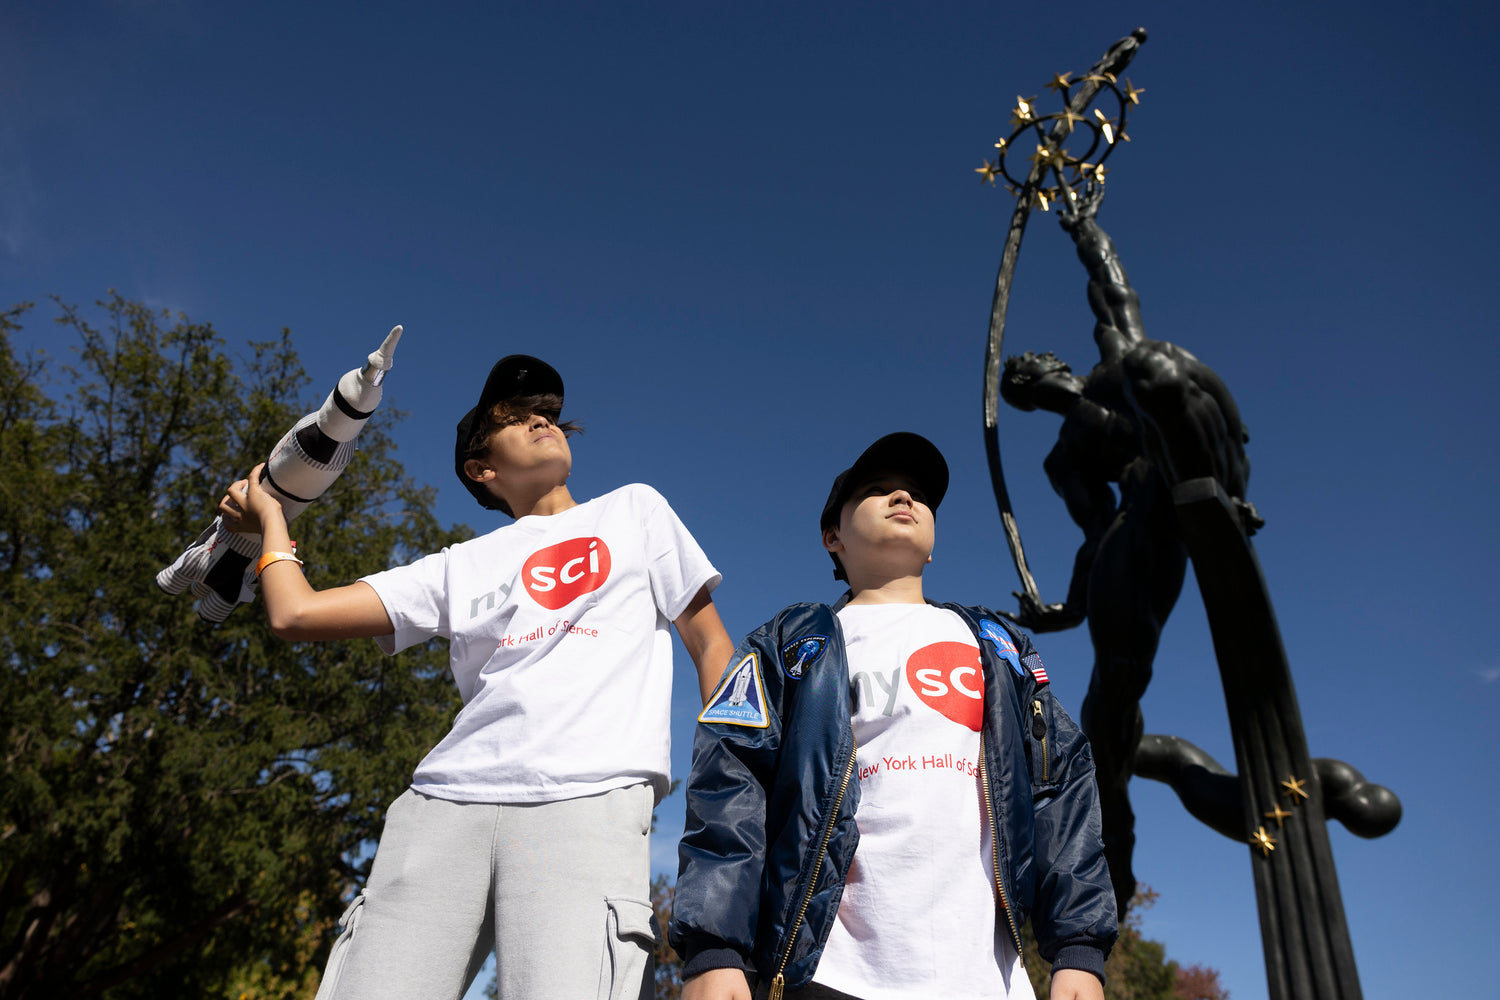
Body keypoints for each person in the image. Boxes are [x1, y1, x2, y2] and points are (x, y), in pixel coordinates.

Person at [218, 354, 734, 1000]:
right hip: (443, 808)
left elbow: (712, 647)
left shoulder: (636, 512)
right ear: (482, 468)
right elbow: (295, 613)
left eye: (547, 414)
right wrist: (271, 520)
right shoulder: (459, 565)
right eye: (517, 419)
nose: (543, 422)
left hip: (584, 802)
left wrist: (730, 793)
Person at [668, 433, 1116, 1000]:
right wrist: (716, 948)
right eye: (877, 491)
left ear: (932, 544)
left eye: (918, 495)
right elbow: (730, 782)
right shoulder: (790, 644)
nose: (903, 496)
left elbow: (1061, 784)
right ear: (833, 537)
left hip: (987, 979)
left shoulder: (998, 647)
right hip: (830, 974)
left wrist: (1079, 946)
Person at [996, 182, 1260, 916]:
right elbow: (1094, 533)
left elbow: (1112, 291)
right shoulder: (1063, 461)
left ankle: (1220, 498)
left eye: (1033, 365)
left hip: (1192, 459)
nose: (1031, 375)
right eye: (1019, 382)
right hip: (1144, 522)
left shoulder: (1116, 361)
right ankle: (1113, 828)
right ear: (1025, 400)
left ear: (1054, 361)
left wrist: (1085, 230)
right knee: (1112, 688)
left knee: (1153, 364)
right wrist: (1067, 609)